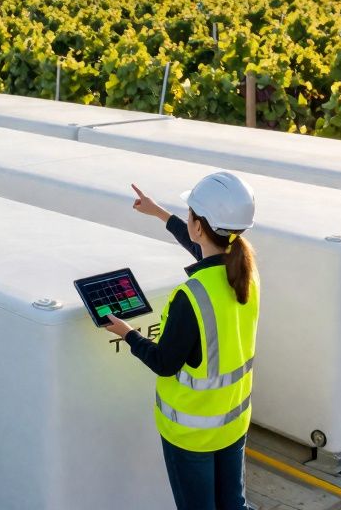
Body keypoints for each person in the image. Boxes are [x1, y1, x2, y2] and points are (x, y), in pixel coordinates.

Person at [105, 172, 260, 510]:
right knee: (233, 505)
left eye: (188, 213)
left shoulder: (191, 296)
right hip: (232, 422)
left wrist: (127, 334)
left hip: (192, 435)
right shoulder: (246, 272)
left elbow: (165, 363)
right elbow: (207, 250)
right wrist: (160, 213)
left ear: (199, 226)